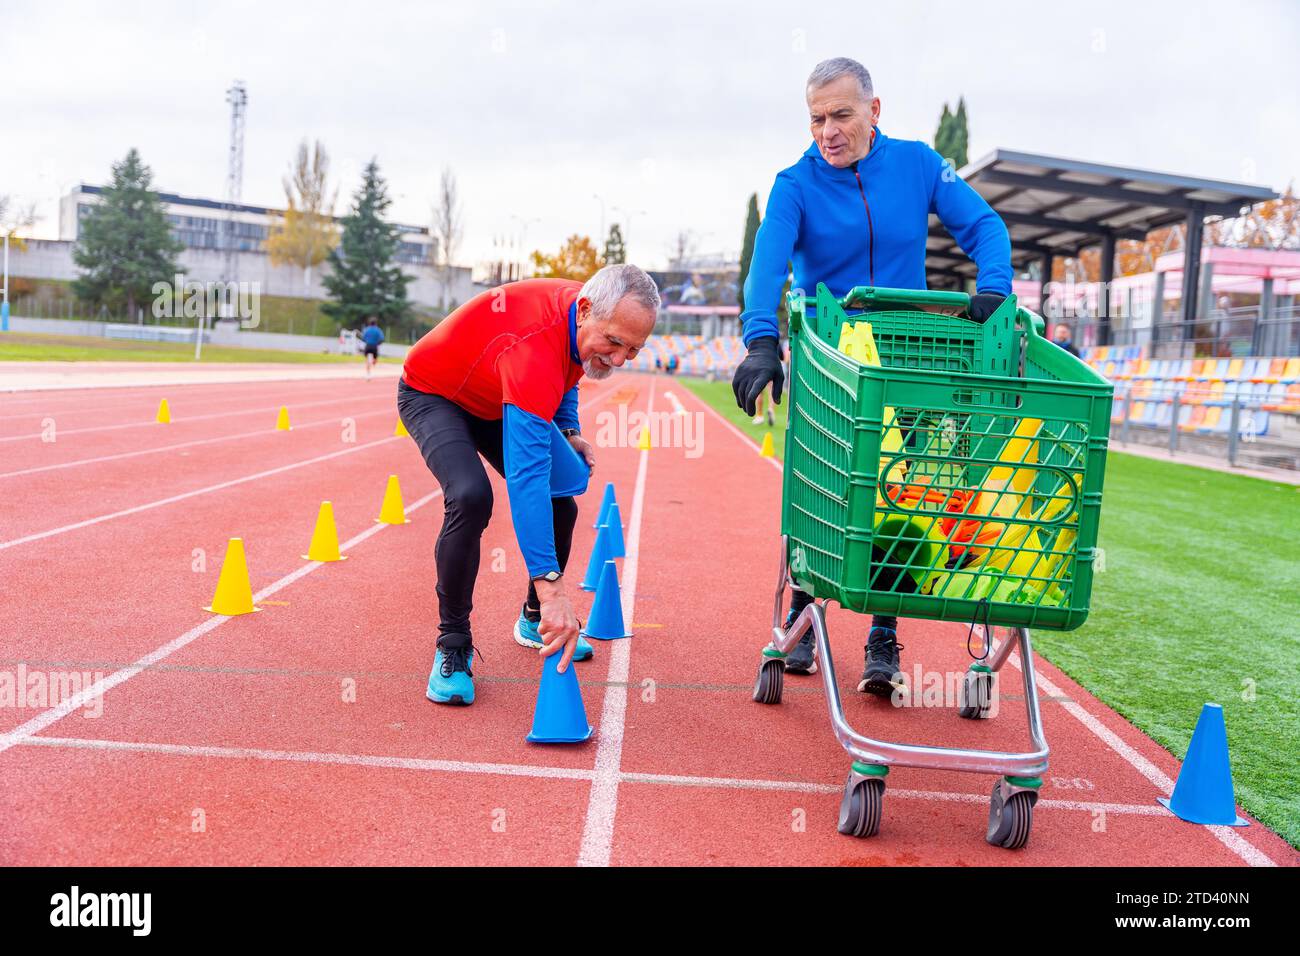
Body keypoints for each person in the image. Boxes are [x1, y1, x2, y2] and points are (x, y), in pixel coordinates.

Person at [731, 57, 1012, 694]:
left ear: (874, 111)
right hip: (832, 360)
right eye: (815, 119)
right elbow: (766, 267)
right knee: (824, 490)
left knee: (900, 491)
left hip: (908, 361)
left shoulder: (917, 164)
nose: (826, 131)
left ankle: (883, 632)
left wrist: (993, 288)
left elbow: (985, 226)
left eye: (840, 115)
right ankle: (803, 606)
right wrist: (760, 342)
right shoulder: (793, 185)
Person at [398, 265, 659, 706]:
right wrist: (552, 585)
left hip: (498, 395)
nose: (618, 360)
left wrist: (569, 428)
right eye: (614, 343)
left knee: (564, 502)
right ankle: (453, 644)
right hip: (435, 394)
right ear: (584, 310)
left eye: (632, 350)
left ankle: (532, 620)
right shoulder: (535, 343)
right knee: (470, 496)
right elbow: (527, 478)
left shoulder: (589, 316)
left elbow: (575, 366)